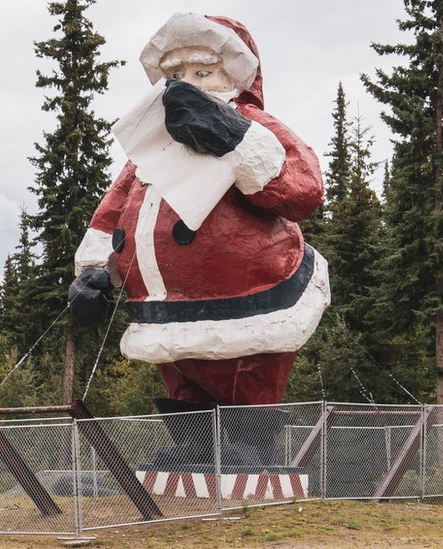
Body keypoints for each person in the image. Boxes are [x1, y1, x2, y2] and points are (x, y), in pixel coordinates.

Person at [70, 13, 329, 465]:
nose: (183, 85)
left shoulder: (251, 126)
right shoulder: (152, 147)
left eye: (201, 72)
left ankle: (254, 447)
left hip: (253, 295)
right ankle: (191, 445)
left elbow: (303, 190)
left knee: (247, 367)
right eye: (174, 75)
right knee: (180, 371)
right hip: (163, 304)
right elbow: (112, 209)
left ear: (232, 74)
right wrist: (94, 271)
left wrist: (231, 137)